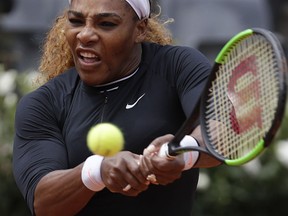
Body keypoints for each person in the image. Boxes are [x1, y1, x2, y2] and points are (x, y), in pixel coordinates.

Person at [13, 0, 221, 215]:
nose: (85, 35)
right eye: (76, 21)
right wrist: (97, 171)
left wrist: (183, 151)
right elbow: (44, 202)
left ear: (139, 29)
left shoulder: (178, 66)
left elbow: (220, 127)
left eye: (106, 24)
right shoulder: (43, 103)